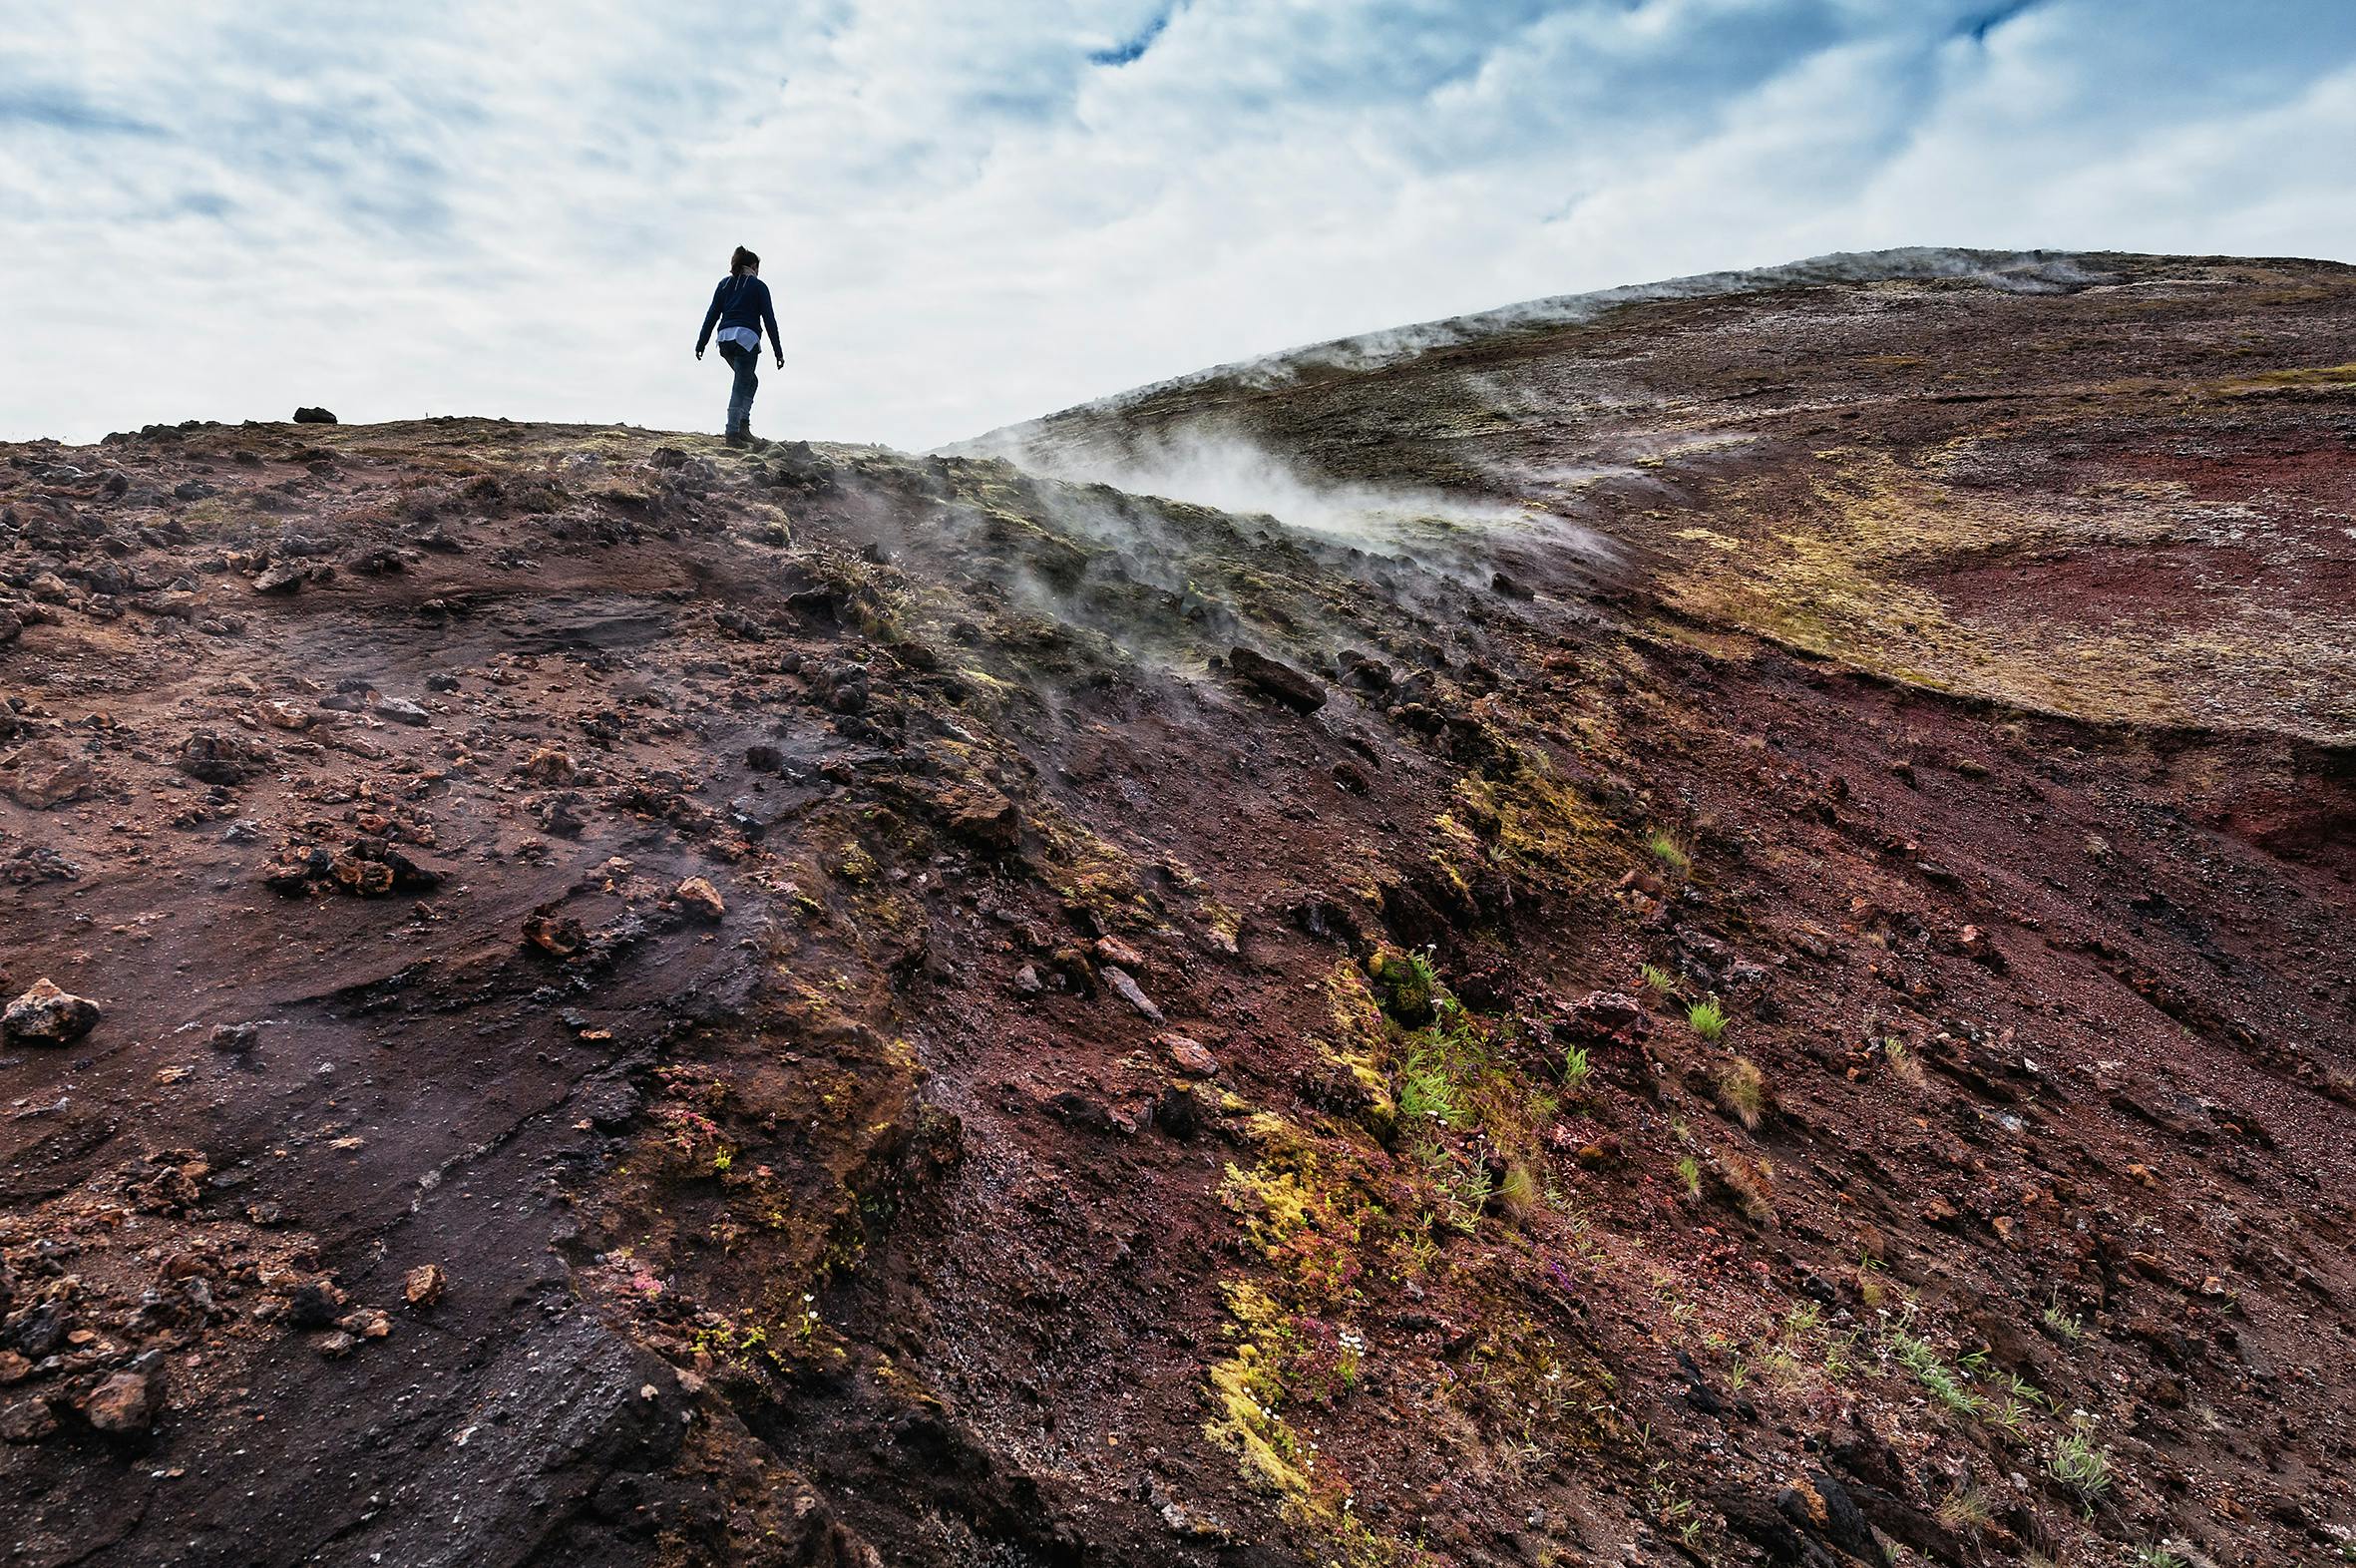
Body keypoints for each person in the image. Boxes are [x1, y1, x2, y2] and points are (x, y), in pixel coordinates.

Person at [695, 245, 784, 447]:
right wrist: (778, 351)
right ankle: (733, 434)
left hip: (725, 340)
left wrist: (702, 342)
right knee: (741, 384)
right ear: (753, 266)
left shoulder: (724, 285)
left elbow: (712, 315)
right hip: (746, 339)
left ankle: (743, 427)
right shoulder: (759, 286)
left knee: (750, 382)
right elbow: (770, 320)